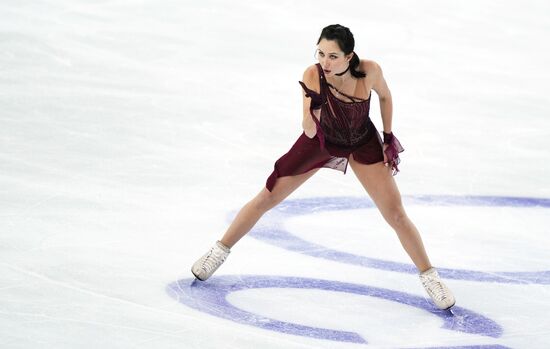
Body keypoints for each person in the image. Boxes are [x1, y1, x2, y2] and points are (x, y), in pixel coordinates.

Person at [191, 24, 455, 310]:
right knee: (268, 195)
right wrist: (313, 107)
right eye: (320, 53)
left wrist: (388, 137)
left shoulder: (370, 71)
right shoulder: (313, 74)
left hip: (361, 142)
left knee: (396, 214)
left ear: (349, 56)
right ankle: (218, 251)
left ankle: (430, 277)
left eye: (332, 56)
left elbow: (386, 96)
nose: (324, 62)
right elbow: (307, 128)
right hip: (322, 140)